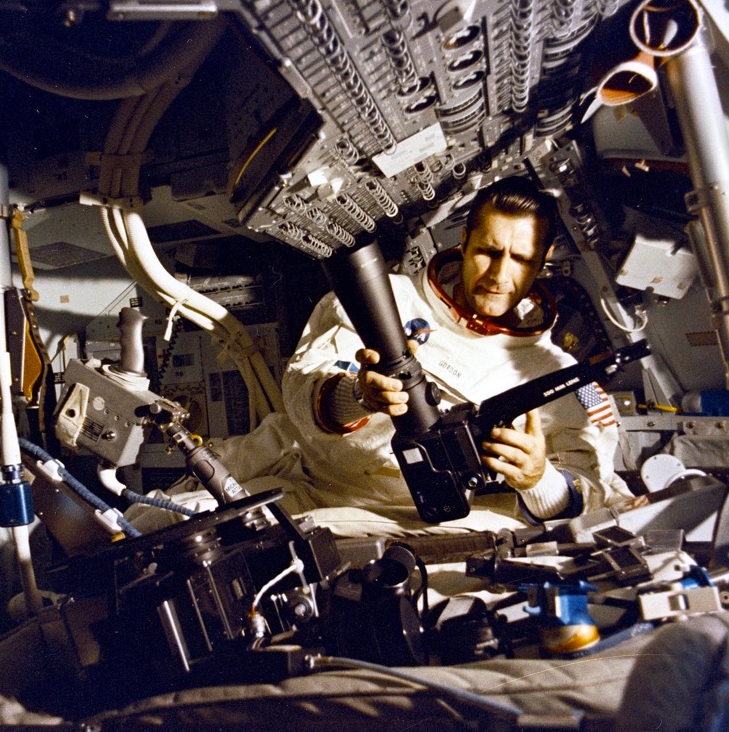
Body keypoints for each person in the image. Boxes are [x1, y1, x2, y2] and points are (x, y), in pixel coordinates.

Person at [143, 176, 632, 535]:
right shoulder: (382, 300)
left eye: (521, 259)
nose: (499, 274)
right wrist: (356, 397)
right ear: (464, 243)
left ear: (542, 264)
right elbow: (299, 391)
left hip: (430, 525)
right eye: (488, 250)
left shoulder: (561, 376)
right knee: (150, 524)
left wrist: (539, 480)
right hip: (304, 479)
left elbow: (591, 492)